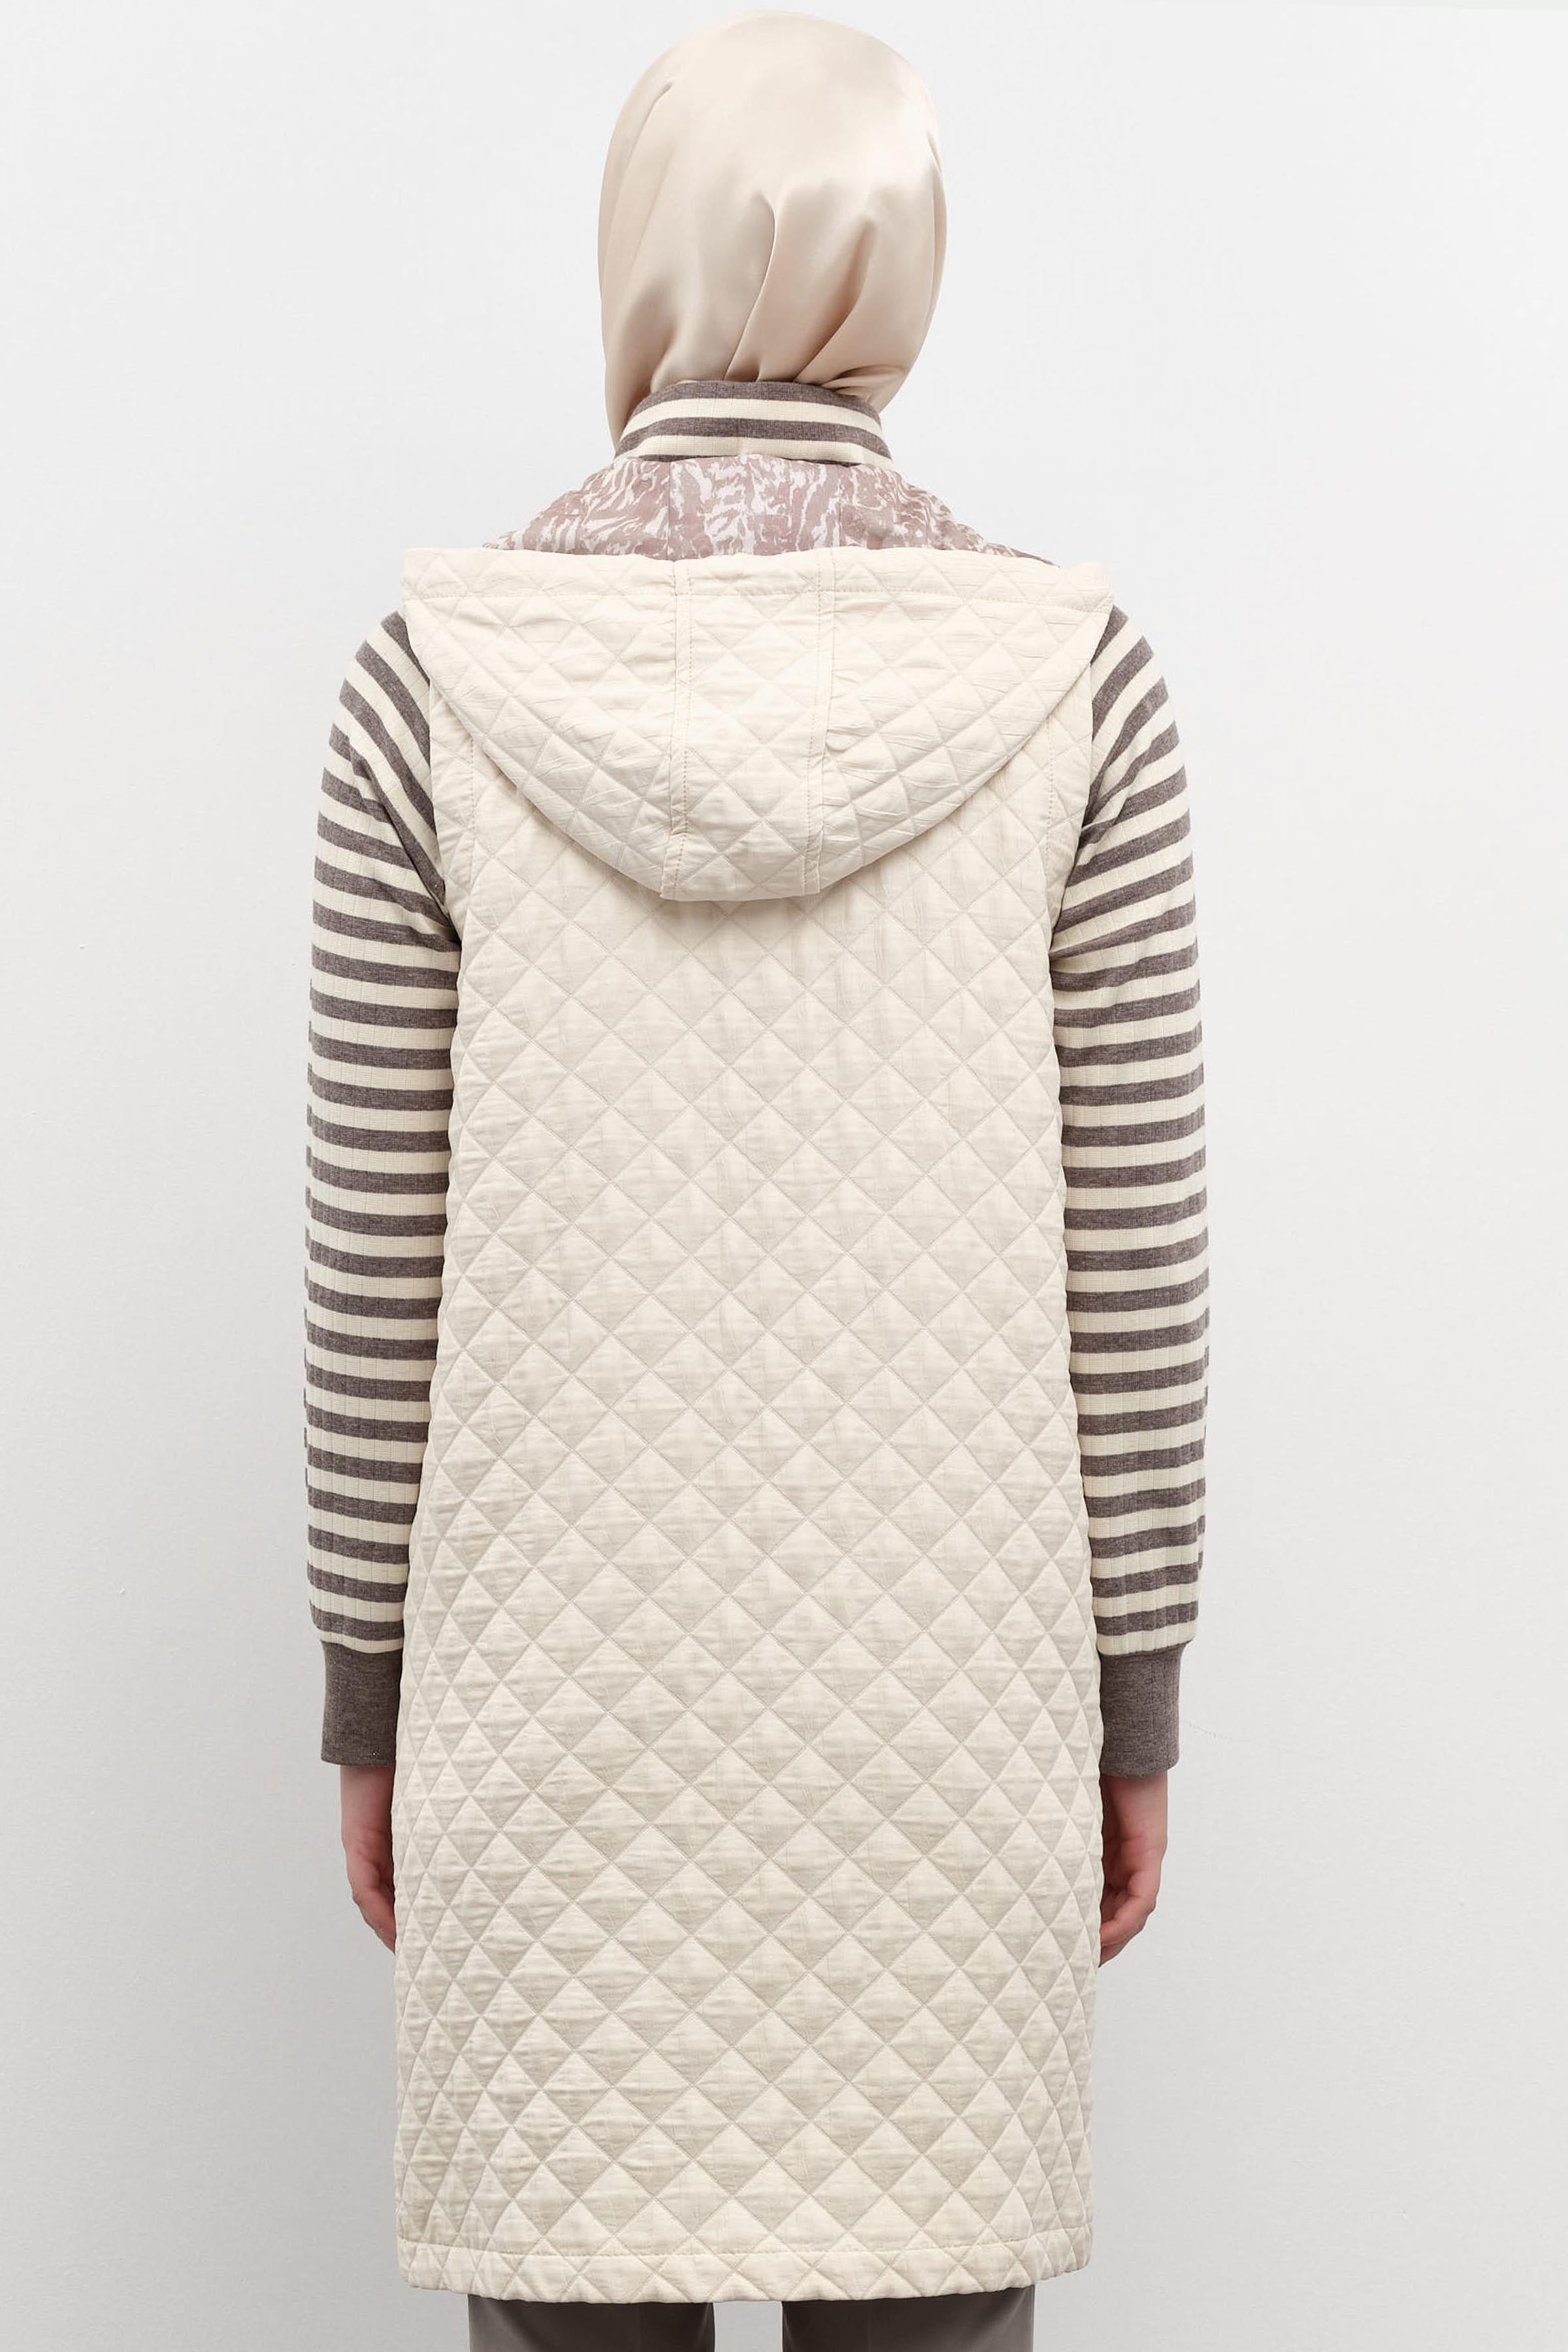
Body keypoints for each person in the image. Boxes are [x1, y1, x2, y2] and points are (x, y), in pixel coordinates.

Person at [305, 16, 1207, 2348]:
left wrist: (367, 1696)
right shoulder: (1075, 679)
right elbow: (1133, 1263)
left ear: (636, 249)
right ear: (908, 262)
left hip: (552, 1713)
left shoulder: (432, 677)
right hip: (946, 1718)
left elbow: (378, 1267)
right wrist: (1135, 1701)